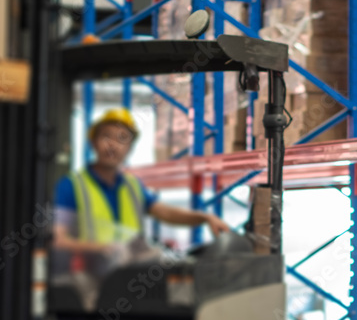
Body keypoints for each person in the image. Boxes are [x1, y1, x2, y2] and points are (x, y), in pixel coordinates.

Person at [52, 108, 231, 302]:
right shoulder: (72, 185)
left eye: (122, 138)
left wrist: (204, 218)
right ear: (93, 142)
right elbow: (58, 240)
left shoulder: (132, 185)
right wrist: (102, 248)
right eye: (106, 137)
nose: (113, 145)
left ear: (130, 147)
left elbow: (165, 213)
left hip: (130, 279)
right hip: (90, 283)